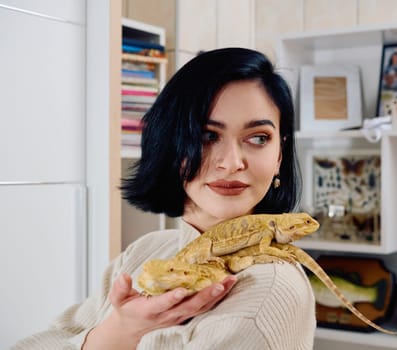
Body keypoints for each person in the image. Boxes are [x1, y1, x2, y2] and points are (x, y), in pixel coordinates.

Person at [12, 48, 316, 349]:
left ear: (278, 154)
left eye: (258, 138)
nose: (232, 162)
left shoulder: (267, 291)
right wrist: (121, 330)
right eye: (207, 136)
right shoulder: (146, 251)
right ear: (172, 146)